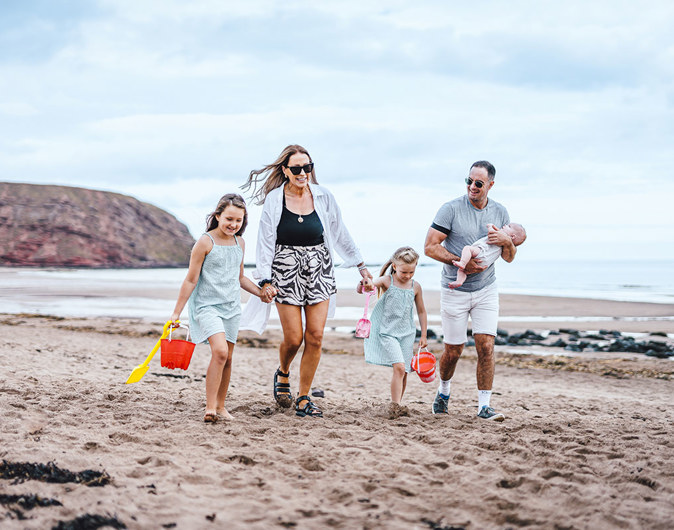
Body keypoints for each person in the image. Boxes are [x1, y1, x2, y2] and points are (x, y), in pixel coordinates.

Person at [240, 144, 374, 418]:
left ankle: (303, 397)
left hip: (319, 270)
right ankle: (284, 371)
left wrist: (361, 266)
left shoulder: (324, 196)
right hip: (284, 272)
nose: (303, 173)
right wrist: (265, 280)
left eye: (308, 167)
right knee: (293, 338)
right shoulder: (275, 200)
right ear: (285, 170)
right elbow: (265, 241)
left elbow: (339, 232)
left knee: (315, 337)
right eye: (297, 168)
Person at [424, 161, 517, 421]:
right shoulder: (451, 209)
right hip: (455, 290)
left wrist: (508, 241)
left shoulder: (500, 212)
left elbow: (508, 257)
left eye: (478, 183)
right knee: (454, 350)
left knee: (486, 346)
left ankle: (484, 406)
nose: (472, 187)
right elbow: (430, 246)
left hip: (487, 289)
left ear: (490, 185)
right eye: (468, 181)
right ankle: (443, 393)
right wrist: (460, 261)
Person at [169, 193, 275, 423]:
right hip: (207, 307)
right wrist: (176, 313)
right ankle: (209, 407)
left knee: (227, 359)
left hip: (231, 308)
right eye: (229, 219)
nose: (233, 225)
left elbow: (239, 278)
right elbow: (190, 280)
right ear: (217, 216)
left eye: (238, 221)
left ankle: (221, 406)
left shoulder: (240, 242)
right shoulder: (205, 242)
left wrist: (260, 293)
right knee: (219, 352)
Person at [357, 247, 428, 412]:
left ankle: (398, 403)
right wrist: (364, 284)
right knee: (400, 368)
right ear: (395, 266)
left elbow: (422, 311)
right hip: (388, 333)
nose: (408, 275)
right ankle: (395, 406)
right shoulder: (386, 281)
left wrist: (423, 334)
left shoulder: (415, 287)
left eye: (412, 271)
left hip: (408, 334)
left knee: (405, 372)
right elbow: (366, 287)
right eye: (404, 272)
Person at [448, 223, 526, 289]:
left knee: (467, 249)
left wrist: (490, 226)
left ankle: (462, 262)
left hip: (481, 252)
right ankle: (459, 281)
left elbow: (491, 233)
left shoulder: (501, 236)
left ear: (512, 237)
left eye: (509, 226)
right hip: (484, 263)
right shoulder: (504, 246)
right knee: (463, 270)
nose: (505, 225)